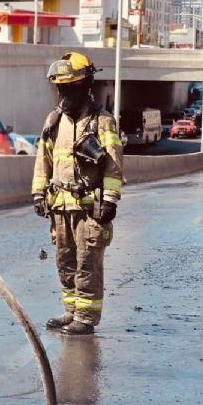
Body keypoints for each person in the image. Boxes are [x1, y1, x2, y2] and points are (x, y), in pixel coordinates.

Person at [31, 52, 124, 336]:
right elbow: (43, 158)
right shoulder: (54, 120)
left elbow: (113, 163)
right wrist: (38, 193)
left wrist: (110, 200)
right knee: (65, 261)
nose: (64, 93)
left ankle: (85, 317)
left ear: (85, 86)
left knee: (87, 264)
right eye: (61, 87)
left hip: (89, 210)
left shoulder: (102, 121)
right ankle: (71, 310)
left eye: (70, 87)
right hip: (60, 207)